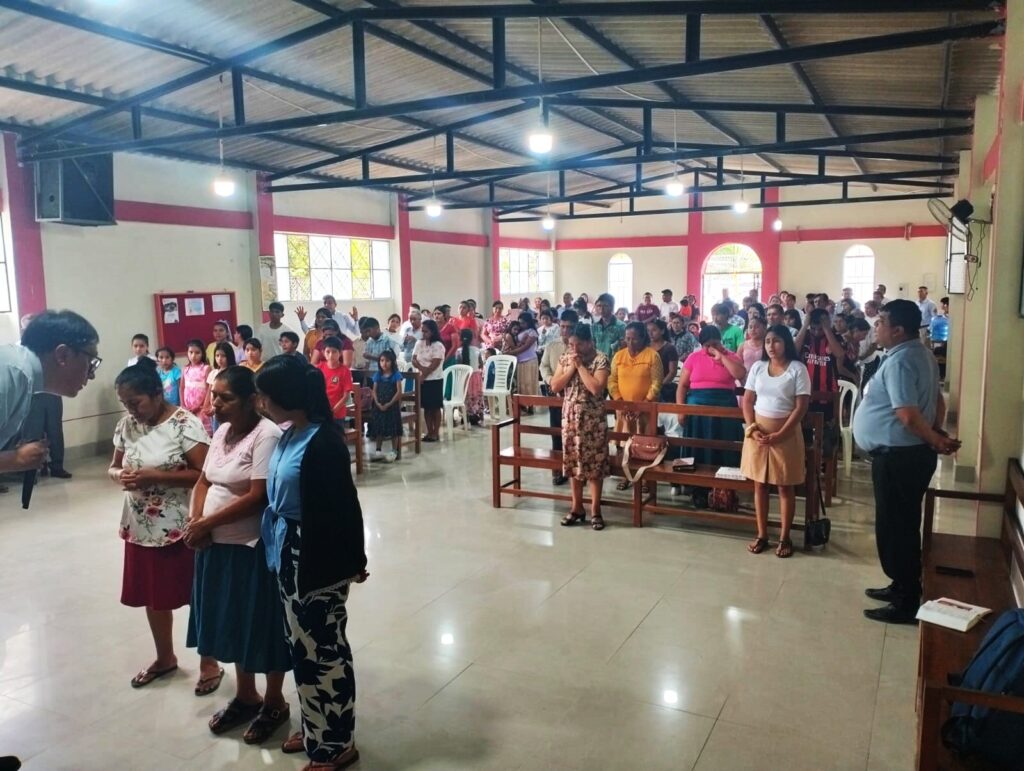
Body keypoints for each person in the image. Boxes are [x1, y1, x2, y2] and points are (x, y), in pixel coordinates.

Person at [255, 356, 368, 767]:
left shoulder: (323, 442)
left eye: (266, 396)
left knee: (325, 651)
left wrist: (353, 560)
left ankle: (337, 744)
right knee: (301, 647)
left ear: (287, 397)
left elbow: (345, 507)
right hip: (288, 548)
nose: (261, 403)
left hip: (316, 556)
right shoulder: (291, 433)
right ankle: (314, 728)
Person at [183, 366, 291, 744]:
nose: (215, 403)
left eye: (225, 397)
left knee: (261, 626)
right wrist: (196, 521)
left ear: (251, 400)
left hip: (251, 549)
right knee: (231, 622)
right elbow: (203, 481)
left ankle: (274, 702)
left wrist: (207, 523)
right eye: (214, 395)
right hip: (215, 546)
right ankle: (246, 696)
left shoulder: (267, 435)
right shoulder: (222, 431)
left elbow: (258, 496)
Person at [108, 359, 221, 693]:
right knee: (153, 596)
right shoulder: (127, 425)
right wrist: (120, 475)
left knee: (197, 595)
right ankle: (165, 657)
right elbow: (113, 467)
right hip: (141, 525)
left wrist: (155, 476)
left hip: (181, 526)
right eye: (125, 404)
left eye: (136, 402)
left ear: (157, 394)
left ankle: (209, 662)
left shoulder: (185, 424)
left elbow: (205, 474)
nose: (131, 410)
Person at [854, 300, 960, 624]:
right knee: (902, 524)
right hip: (907, 454)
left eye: (880, 323)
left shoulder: (900, 361)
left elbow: (908, 415)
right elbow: (938, 402)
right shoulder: (921, 353)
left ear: (897, 330)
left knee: (896, 528)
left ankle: (906, 602)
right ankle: (901, 585)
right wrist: (935, 431)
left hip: (899, 457)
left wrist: (935, 439)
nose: (876, 327)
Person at [740, 325, 811, 559]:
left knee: (784, 485)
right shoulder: (758, 367)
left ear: (786, 343)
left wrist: (781, 434)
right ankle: (762, 534)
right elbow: (748, 401)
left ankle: (784, 536)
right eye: (768, 341)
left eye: (777, 341)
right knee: (759, 484)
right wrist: (752, 428)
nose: (771, 346)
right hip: (758, 434)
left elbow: (801, 407)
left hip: (786, 434)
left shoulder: (798, 369)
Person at [0, 310, 99, 474]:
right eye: (90, 361)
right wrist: (14, 459)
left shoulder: (22, 376)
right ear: (62, 355)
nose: (92, 375)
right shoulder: (12, 374)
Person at [550, 325, 611, 531]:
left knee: (595, 465)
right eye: (571, 345)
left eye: (579, 345)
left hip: (593, 419)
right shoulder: (565, 359)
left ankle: (596, 510)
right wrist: (571, 368)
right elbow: (555, 386)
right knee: (573, 463)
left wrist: (581, 367)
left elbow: (596, 388)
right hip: (570, 418)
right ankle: (576, 507)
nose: (574, 349)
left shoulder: (601, 360)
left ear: (589, 342)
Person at [676, 326, 747, 505]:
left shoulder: (731, 356)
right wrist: (681, 410)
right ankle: (698, 490)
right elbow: (682, 386)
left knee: (724, 448)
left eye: (714, 344)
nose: (710, 348)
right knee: (698, 448)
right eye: (707, 345)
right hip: (697, 408)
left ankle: (725, 490)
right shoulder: (694, 357)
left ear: (720, 341)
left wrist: (721, 357)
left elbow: (740, 375)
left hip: (724, 407)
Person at [609, 322, 664, 491]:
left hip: (646, 410)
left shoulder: (652, 356)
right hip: (623, 408)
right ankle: (625, 476)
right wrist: (620, 401)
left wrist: (644, 403)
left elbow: (656, 383)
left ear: (643, 338)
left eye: (634, 339)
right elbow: (612, 380)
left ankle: (646, 480)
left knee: (644, 445)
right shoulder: (618, 356)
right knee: (623, 443)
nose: (630, 343)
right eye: (627, 339)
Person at [540, 309, 577, 486]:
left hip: (575, 395)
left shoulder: (581, 347)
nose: (565, 331)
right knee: (556, 431)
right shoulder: (552, 346)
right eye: (562, 327)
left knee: (575, 433)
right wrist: (551, 381)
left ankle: (577, 470)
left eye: (569, 327)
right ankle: (558, 469)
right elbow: (544, 366)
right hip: (555, 393)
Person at [795, 308, 848, 428]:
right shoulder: (805, 336)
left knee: (826, 430)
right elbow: (794, 350)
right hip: (805, 392)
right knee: (805, 429)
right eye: (813, 328)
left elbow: (840, 354)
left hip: (828, 393)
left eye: (820, 329)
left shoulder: (834, 338)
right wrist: (805, 326)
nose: (816, 332)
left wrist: (827, 329)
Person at [413, 319, 446, 442]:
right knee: (426, 407)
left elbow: (435, 364)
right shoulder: (419, 343)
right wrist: (421, 371)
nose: (423, 333)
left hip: (435, 379)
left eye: (426, 331)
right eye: (422, 331)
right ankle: (429, 431)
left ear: (432, 331)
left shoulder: (438, 345)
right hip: (422, 379)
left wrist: (423, 375)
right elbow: (413, 359)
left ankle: (435, 432)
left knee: (435, 407)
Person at [369, 349, 404, 461]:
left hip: (392, 406)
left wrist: (389, 404)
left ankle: (394, 451)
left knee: (394, 429)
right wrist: (377, 403)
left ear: (392, 362)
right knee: (379, 428)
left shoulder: (396, 375)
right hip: (379, 406)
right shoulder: (378, 375)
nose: (384, 363)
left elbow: (399, 392)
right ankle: (378, 451)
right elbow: (374, 391)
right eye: (382, 360)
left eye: (387, 361)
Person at [317, 337, 354, 424]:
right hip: (321, 412)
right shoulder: (319, 369)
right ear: (323, 352)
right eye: (328, 352)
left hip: (338, 414)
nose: (331, 355)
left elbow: (346, 396)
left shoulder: (345, 371)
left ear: (340, 353)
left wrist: (333, 411)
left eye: (334, 352)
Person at [203, 342, 236, 434]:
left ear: (229, 356)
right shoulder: (213, 373)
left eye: (223, 356)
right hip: (214, 409)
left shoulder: (232, 373)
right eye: (217, 356)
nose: (219, 359)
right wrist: (206, 405)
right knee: (216, 432)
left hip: (227, 409)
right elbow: (209, 390)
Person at [181, 339, 212, 434]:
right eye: (191, 352)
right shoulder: (185, 369)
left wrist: (201, 406)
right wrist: (183, 405)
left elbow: (209, 389)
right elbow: (182, 387)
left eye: (197, 353)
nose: (193, 356)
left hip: (201, 408)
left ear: (203, 353)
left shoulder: (206, 368)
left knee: (203, 433)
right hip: (187, 409)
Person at [509, 311, 540, 403]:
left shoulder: (532, 332)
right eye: (520, 323)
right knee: (522, 384)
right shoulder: (520, 331)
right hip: (520, 361)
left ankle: (531, 405)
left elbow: (526, 347)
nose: (521, 325)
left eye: (523, 323)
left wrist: (511, 353)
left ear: (528, 322)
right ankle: (523, 405)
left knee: (529, 384)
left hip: (529, 360)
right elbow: (518, 344)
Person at [646, 319, 678, 403]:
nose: (650, 333)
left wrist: (658, 387)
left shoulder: (670, 348)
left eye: (654, 330)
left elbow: (672, 372)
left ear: (662, 331)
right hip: (645, 385)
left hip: (662, 386)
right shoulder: (645, 347)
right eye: (648, 330)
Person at [592, 293, 626, 358]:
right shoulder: (594, 326)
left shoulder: (621, 326)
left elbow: (623, 348)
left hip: (615, 362)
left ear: (612, 307)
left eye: (605, 306)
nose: (601, 309)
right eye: (599, 306)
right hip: (599, 362)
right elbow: (593, 347)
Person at [930, 297, 950, 381]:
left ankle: (941, 375)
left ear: (945, 305)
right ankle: (941, 375)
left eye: (942, 305)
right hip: (942, 341)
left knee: (937, 352)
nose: (941, 307)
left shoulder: (946, 318)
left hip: (945, 342)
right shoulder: (941, 317)